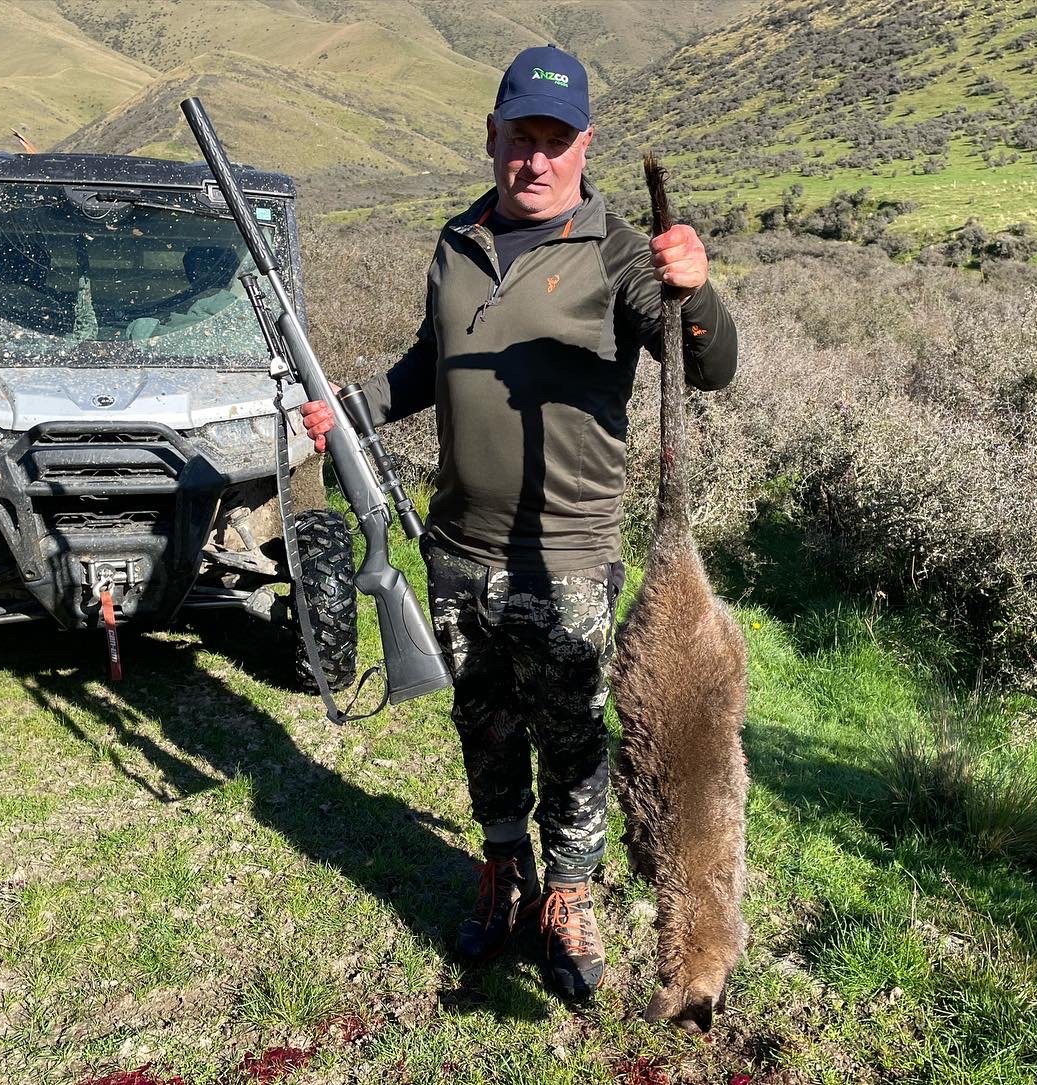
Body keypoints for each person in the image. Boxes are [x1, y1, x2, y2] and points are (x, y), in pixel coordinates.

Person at [301, 44, 737, 1002]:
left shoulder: (620, 252)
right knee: (485, 722)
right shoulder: (456, 239)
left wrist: (695, 291)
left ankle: (570, 895)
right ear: (491, 136)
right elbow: (431, 358)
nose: (533, 160)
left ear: (583, 147)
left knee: (573, 733)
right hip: (456, 544)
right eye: (518, 138)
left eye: (554, 141)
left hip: (567, 554)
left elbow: (707, 369)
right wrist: (357, 407)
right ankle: (504, 870)